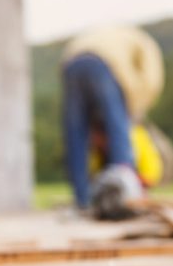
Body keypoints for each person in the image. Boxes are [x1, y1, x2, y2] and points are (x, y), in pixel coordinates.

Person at [61, 25, 165, 214]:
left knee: (76, 134)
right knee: (119, 129)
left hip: (71, 63)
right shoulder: (144, 43)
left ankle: (82, 200)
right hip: (104, 64)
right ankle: (125, 196)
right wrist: (134, 107)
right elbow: (151, 79)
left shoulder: (103, 37)